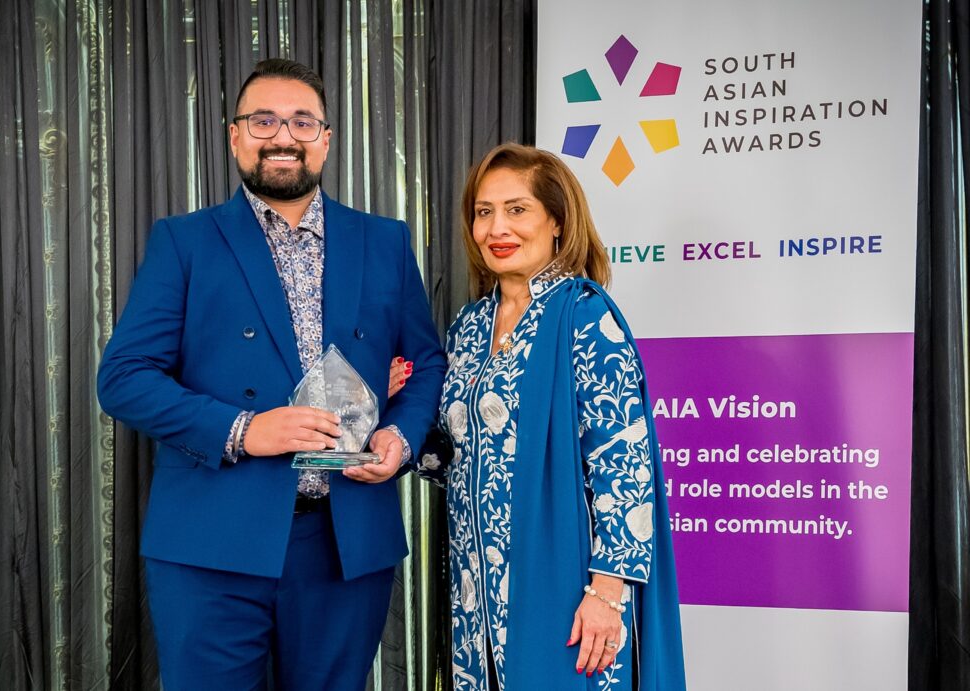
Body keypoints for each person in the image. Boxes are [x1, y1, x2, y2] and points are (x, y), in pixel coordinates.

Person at [97, 58, 445, 691]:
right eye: (264, 120)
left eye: (302, 121)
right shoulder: (185, 241)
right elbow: (123, 376)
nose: (283, 135)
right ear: (234, 135)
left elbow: (425, 365)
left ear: (326, 138)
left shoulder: (385, 242)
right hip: (210, 544)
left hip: (346, 544)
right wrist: (242, 429)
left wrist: (401, 438)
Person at [414, 143, 686, 690]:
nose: (497, 227)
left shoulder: (585, 316)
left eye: (517, 209)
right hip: (477, 587)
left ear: (557, 222)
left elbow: (623, 465)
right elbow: (456, 456)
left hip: (565, 582)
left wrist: (607, 592)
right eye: (484, 211)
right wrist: (400, 418)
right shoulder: (468, 327)